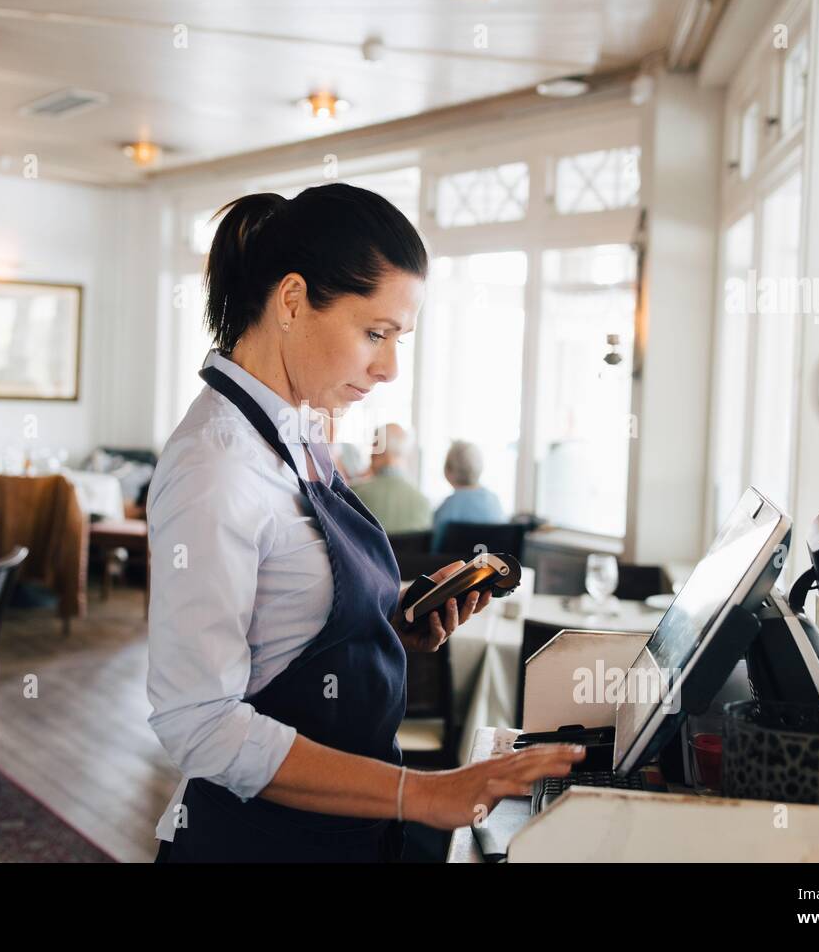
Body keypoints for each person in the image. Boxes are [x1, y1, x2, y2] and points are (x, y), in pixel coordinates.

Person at [146, 183, 582, 863]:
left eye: (398, 337)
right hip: (259, 845)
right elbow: (198, 723)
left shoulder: (300, 429)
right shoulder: (216, 467)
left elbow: (289, 625)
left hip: (340, 834)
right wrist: (420, 792)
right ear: (291, 301)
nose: (388, 367)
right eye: (374, 333)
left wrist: (391, 617)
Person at [351, 423, 432, 532]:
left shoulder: (354, 495)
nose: (371, 455)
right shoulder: (423, 502)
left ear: (378, 448)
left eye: (373, 446)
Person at [432, 440, 506, 550]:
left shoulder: (448, 508)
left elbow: (435, 551)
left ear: (448, 471)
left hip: (457, 566)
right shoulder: (495, 502)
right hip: (491, 566)